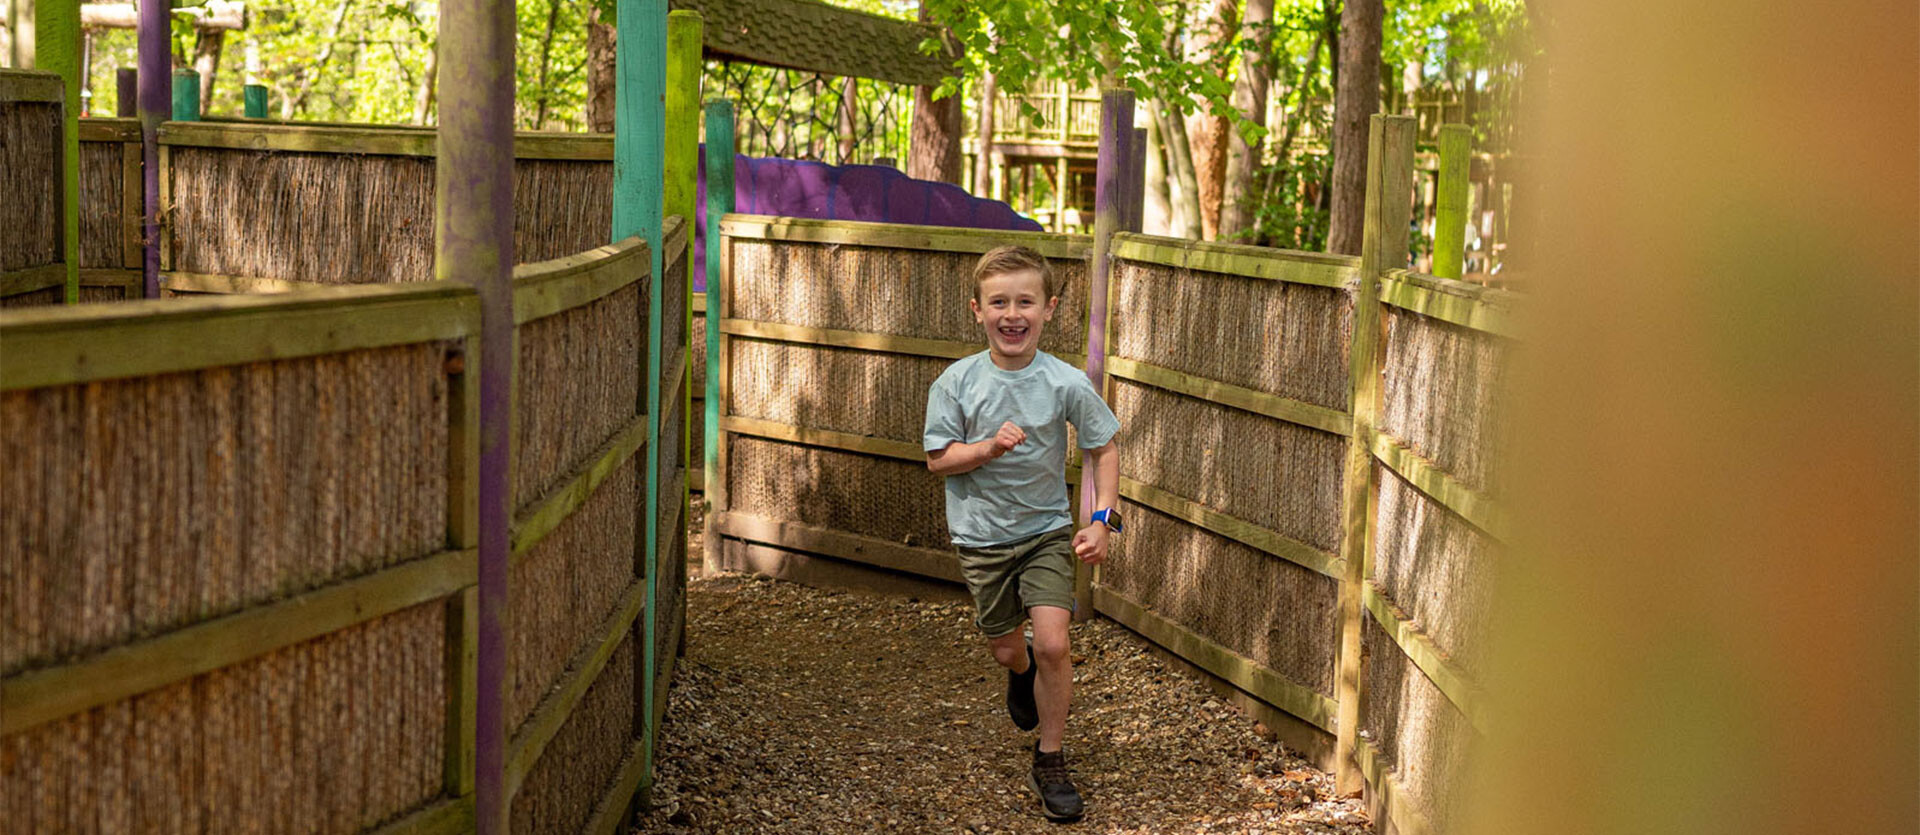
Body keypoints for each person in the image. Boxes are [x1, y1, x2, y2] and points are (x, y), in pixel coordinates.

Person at [922, 245, 1123, 822]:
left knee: (1055, 642)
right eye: (999, 303)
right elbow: (938, 459)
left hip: (1046, 532)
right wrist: (988, 447)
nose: (1012, 314)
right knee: (1008, 648)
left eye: (1026, 302)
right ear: (977, 310)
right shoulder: (956, 383)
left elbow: (1104, 447)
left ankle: (1050, 760)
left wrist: (1102, 521)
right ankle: (1021, 670)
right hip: (980, 536)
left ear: (1049, 308)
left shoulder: (1065, 382)